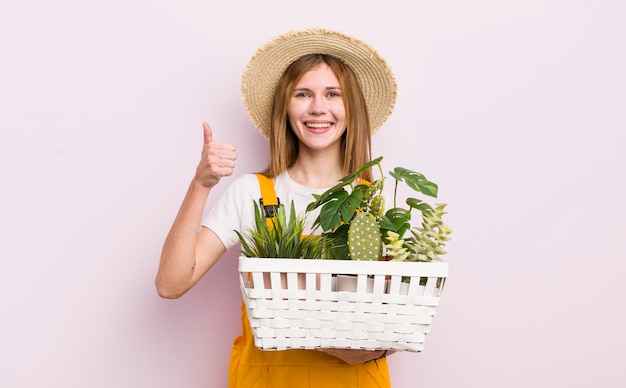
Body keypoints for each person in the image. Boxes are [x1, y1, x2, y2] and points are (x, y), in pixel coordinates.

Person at [156, 27, 398, 387]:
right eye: (303, 94)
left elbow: (398, 314)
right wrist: (200, 185)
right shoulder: (252, 193)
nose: (318, 108)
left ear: (351, 109)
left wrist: (373, 349)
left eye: (333, 94)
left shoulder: (378, 201)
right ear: (286, 108)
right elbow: (171, 284)